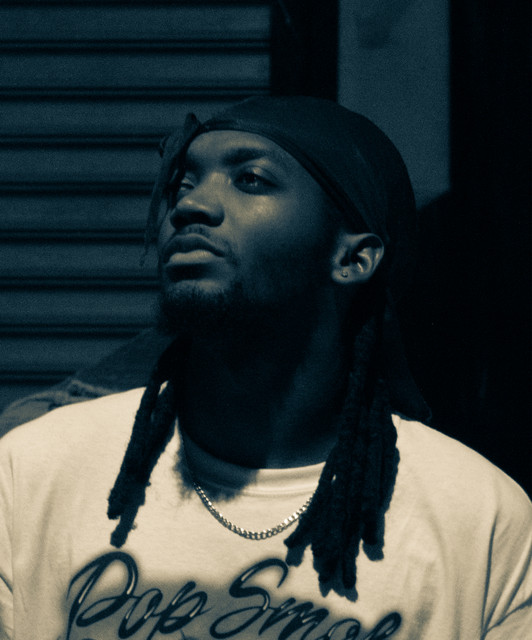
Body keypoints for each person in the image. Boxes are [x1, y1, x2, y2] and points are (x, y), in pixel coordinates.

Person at [0, 96, 530, 640]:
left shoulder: (479, 518)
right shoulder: (32, 472)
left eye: (250, 180)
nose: (190, 205)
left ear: (353, 258)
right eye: (183, 183)